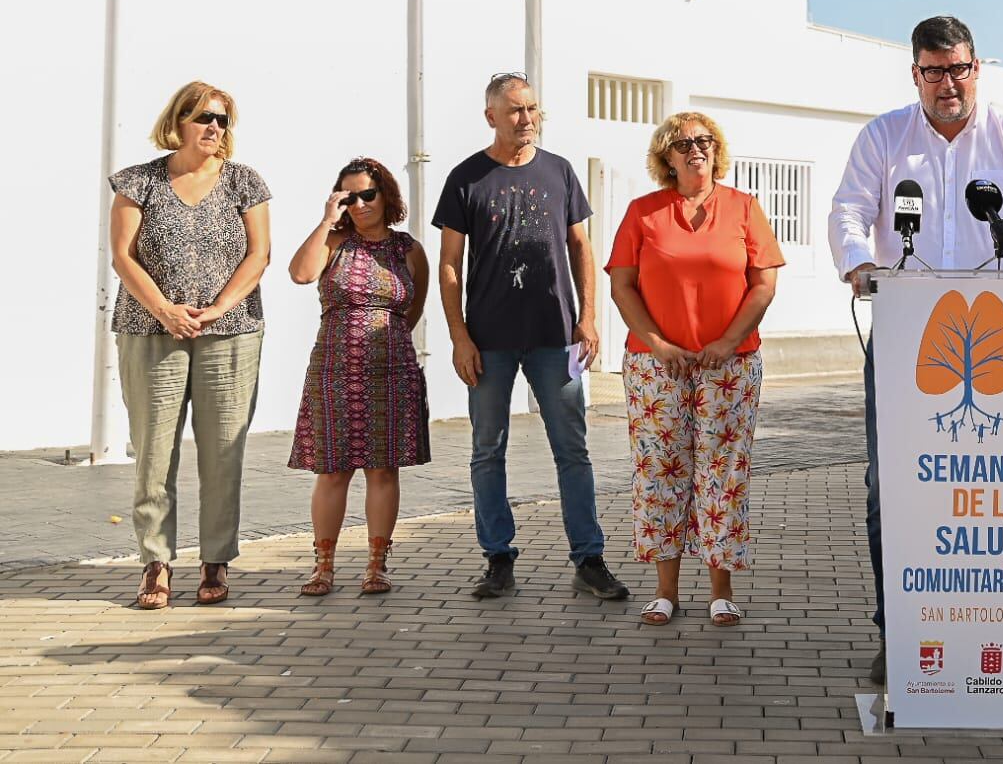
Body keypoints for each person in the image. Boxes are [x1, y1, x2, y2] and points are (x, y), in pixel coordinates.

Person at [827, 15, 1003, 684]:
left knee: (986, 492)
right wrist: (857, 262)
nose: (948, 83)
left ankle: (985, 637)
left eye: (959, 68)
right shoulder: (884, 137)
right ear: (914, 74)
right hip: (906, 336)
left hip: (1000, 337)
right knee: (893, 489)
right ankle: (901, 633)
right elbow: (848, 210)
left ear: (977, 69)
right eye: (933, 71)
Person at [432, 71, 628, 602]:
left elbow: (581, 247)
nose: (527, 119)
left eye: (533, 109)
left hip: (554, 337)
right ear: (491, 115)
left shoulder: (559, 172)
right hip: (489, 341)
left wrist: (588, 319)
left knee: (573, 449)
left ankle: (589, 558)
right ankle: (498, 558)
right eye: (516, 110)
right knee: (486, 450)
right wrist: (459, 336)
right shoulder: (466, 178)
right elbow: (450, 264)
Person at [605, 112, 783, 626]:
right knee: (660, 473)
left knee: (722, 475)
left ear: (716, 150)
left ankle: (721, 591)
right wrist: (657, 343)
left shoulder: (744, 208)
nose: (694, 150)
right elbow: (622, 285)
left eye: (704, 141)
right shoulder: (643, 212)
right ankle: (665, 592)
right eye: (682, 144)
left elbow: (763, 284)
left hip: (730, 366)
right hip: (655, 367)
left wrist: (728, 342)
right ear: (667, 157)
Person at [108, 81, 271, 609]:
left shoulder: (245, 182)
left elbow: (259, 255)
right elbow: (123, 257)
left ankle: (215, 560)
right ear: (178, 121)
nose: (215, 129)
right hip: (150, 330)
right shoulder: (138, 182)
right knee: (154, 451)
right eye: (205, 118)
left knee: (224, 451)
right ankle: (156, 564)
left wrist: (218, 307)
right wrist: (166, 310)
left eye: (223, 120)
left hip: (231, 332)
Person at [287, 157, 430, 595]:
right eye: (349, 197)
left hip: (391, 370)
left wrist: (388, 341)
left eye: (368, 193)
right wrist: (326, 220)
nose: (361, 204)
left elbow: (414, 305)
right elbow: (300, 273)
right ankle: (323, 566)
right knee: (332, 471)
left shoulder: (408, 249)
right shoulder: (333, 242)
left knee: (383, 469)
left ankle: (377, 564)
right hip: (334, 368)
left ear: (386, 194)